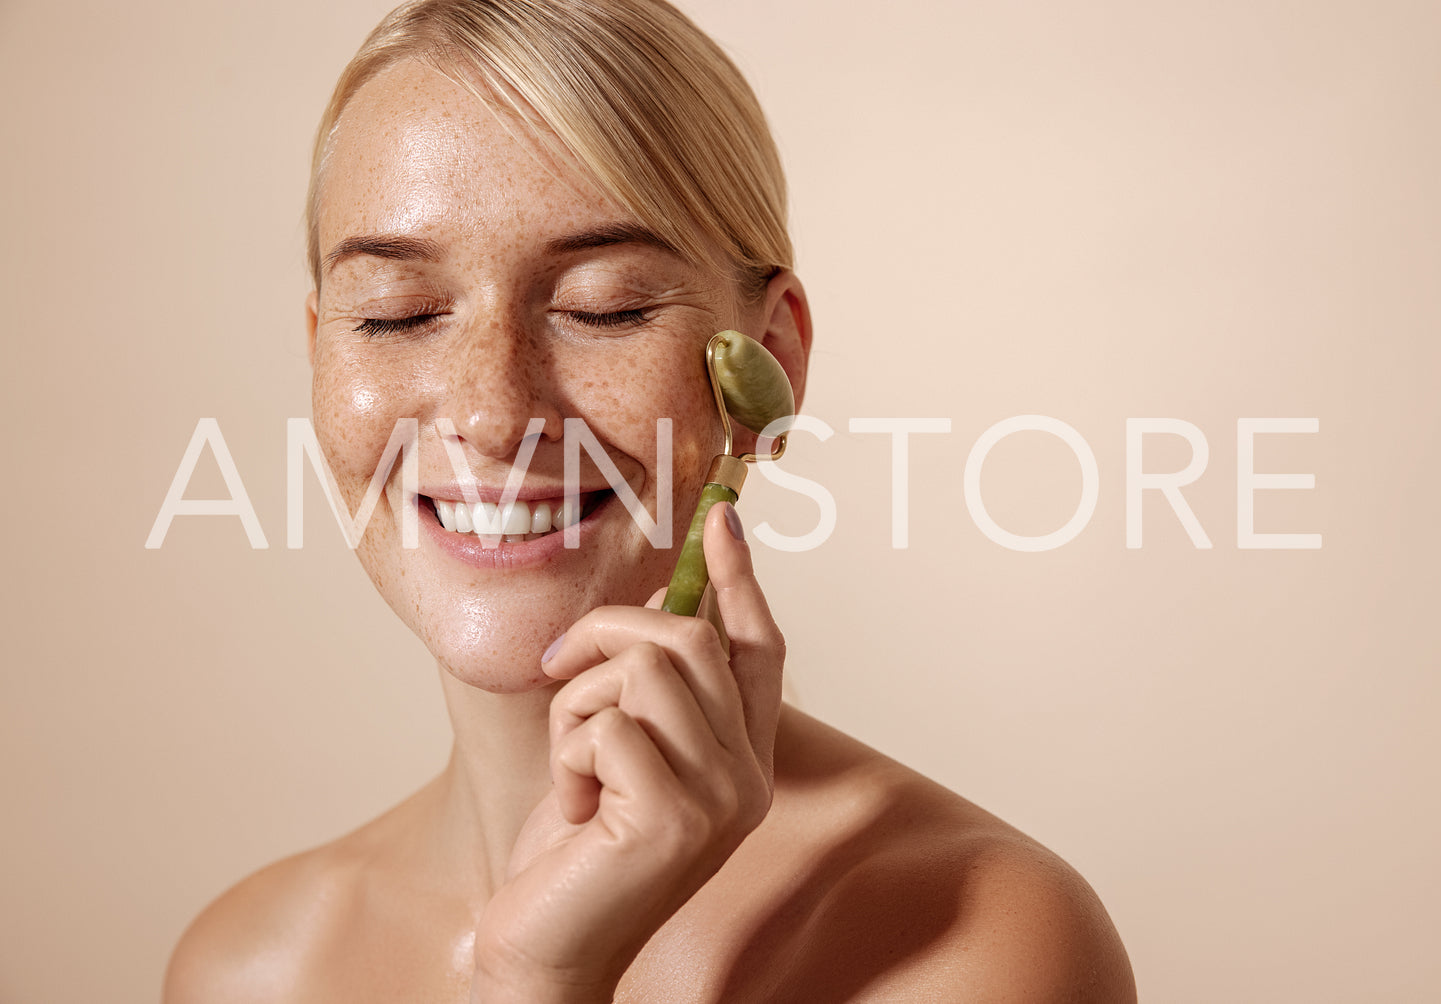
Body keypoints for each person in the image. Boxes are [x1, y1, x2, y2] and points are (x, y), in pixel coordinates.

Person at [164, 1, 1135, 1000]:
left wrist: (547, 977)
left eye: (605, 308)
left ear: (775, 359)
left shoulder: (976, 945)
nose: (493, 412)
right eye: (396, 315)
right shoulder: (251, 966)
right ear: (319, 348)